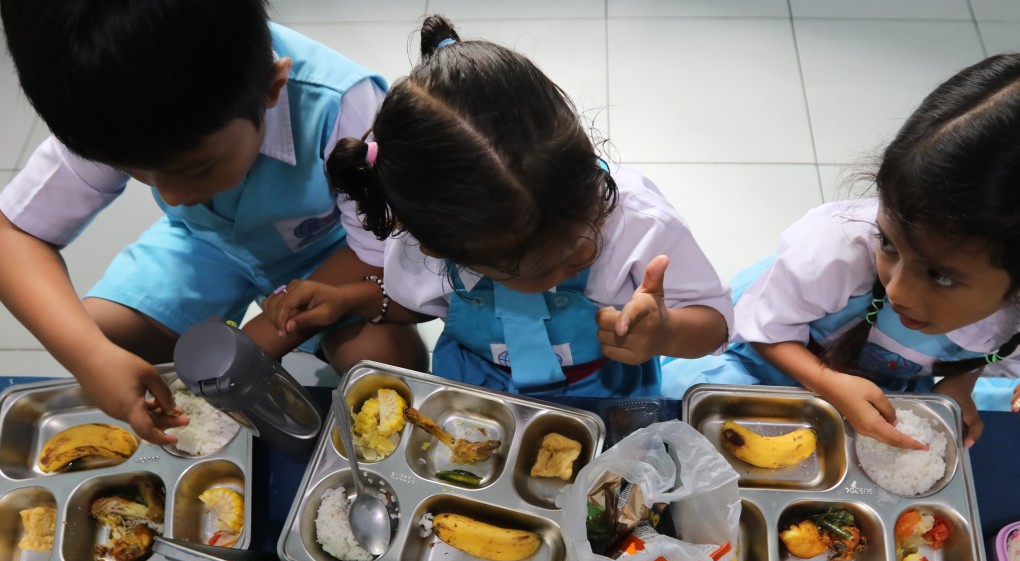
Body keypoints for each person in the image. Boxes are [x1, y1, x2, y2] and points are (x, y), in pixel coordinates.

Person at [0, 0, 426, 445]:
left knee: (388, 362)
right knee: (98, 333)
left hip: (334, 254)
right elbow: (12, 234)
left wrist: (255, 342)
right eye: (135, 171)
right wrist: (90, 357)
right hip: (208, 243)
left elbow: (382, 251)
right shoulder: (111, 106)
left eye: (195, 169)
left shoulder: (345, 107)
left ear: (271, 88)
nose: (170, 195)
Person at [262, 14, 733, 398]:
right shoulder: (426, 239)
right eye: (549, 263)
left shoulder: (641, 225)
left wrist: (666, 333)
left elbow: (714, 323)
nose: (583, 254)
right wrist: (347, 300)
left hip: (607, 389)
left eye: (583, 229)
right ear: (437, 249)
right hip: (477, 390)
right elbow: (418, 304)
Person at [662, 53, 1020, 449]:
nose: (898, 292)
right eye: (888, 244)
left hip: (879, 386)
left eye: (941, 276)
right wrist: (827, 382)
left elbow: (993, 354)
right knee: (680, 402)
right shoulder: (833, 249)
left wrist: (962, 381)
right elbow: (766, 331)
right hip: (776, 357)